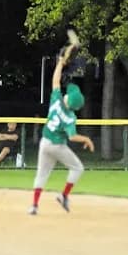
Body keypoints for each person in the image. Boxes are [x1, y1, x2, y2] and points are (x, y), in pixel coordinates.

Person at [28, 44, 94, 215]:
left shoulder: (56, 100)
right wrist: (86, 139)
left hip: (45, 143)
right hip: (57, 146)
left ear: (67, 99)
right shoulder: (71, 117)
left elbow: (55, 80)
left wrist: (60, 62)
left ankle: (34, 206)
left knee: (41, 175)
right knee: (78, 168)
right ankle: (64, 195)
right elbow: (72, 137)